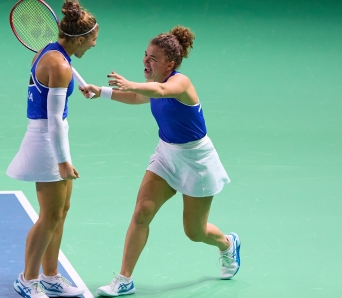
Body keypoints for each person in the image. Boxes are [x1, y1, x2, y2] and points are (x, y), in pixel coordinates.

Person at [81, 26, 240, 297]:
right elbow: (138, 96)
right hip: (167, 154)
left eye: (153, 59)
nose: (146, 61)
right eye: (145, 55)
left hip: (197, 162)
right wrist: (101, 92)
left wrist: (132, 83)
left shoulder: (181, 83)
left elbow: (160, 90)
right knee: (142, 212)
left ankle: (227, 244)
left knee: (195, 231)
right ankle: (124, 279)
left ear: (171, 63)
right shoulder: (154, 84)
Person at [6, 1, 99, 297]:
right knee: (50, 215)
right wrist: (62, 161)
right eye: (94, 38)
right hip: (47, 140)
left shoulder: (52, 50)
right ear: (80, 38)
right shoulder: (59, 66)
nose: (95, 44)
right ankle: (27, 279)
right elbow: (55, 120)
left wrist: (80, 83)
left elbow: (65, 67)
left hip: (51, 137)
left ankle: (50, 276)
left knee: (61, 211)